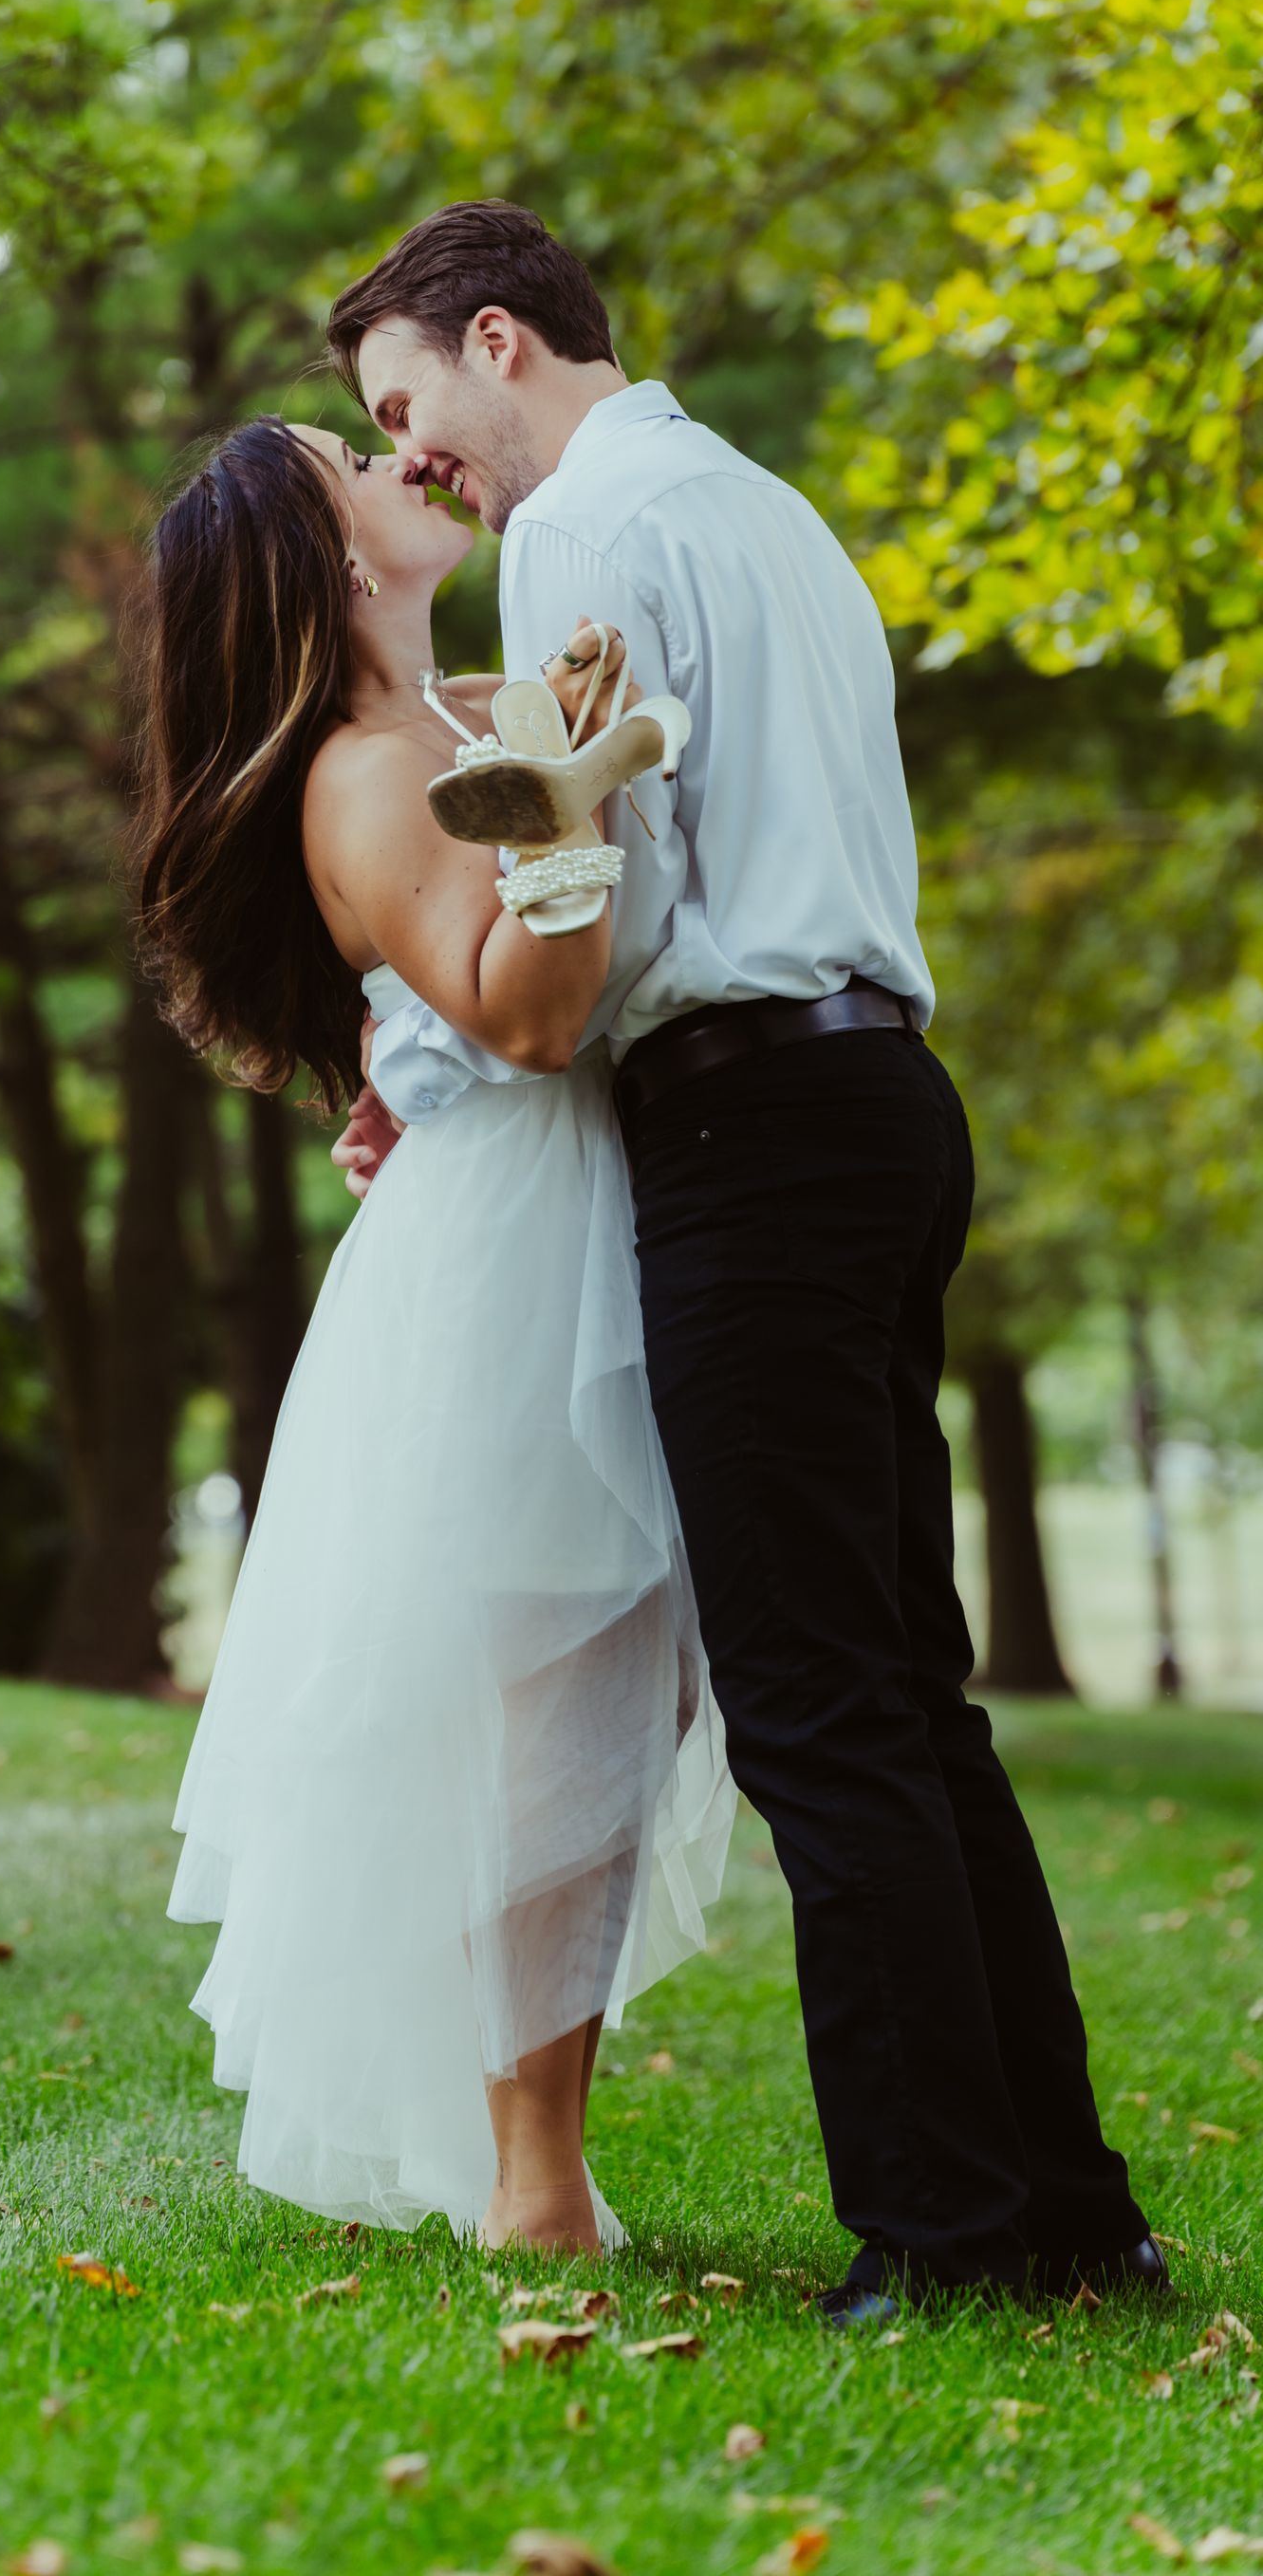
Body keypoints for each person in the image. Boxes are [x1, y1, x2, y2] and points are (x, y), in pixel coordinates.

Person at [322, 200, 1164, 2325]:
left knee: (815, 1706)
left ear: (496, 341)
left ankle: (945, 2231)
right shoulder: (769, 510)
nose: (413, 459)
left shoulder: (587, 533)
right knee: (910, 1694)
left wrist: (429, 1056)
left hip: (752, 1131)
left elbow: (598, 943)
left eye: (405, 409)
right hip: (888, 1102)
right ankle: (1065, 2214)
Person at [135, 414, 735, 2256]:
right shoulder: (367, 769)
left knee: (620, 1694)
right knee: (563, 1694)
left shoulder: (463, 705)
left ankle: (534, 2155)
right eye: (349, 458)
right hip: (520, 1249)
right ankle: (533, 2179)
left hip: (562, 1207)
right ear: (318, 555)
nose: (407, 464)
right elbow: (529, 1020)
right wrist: (575, 813)